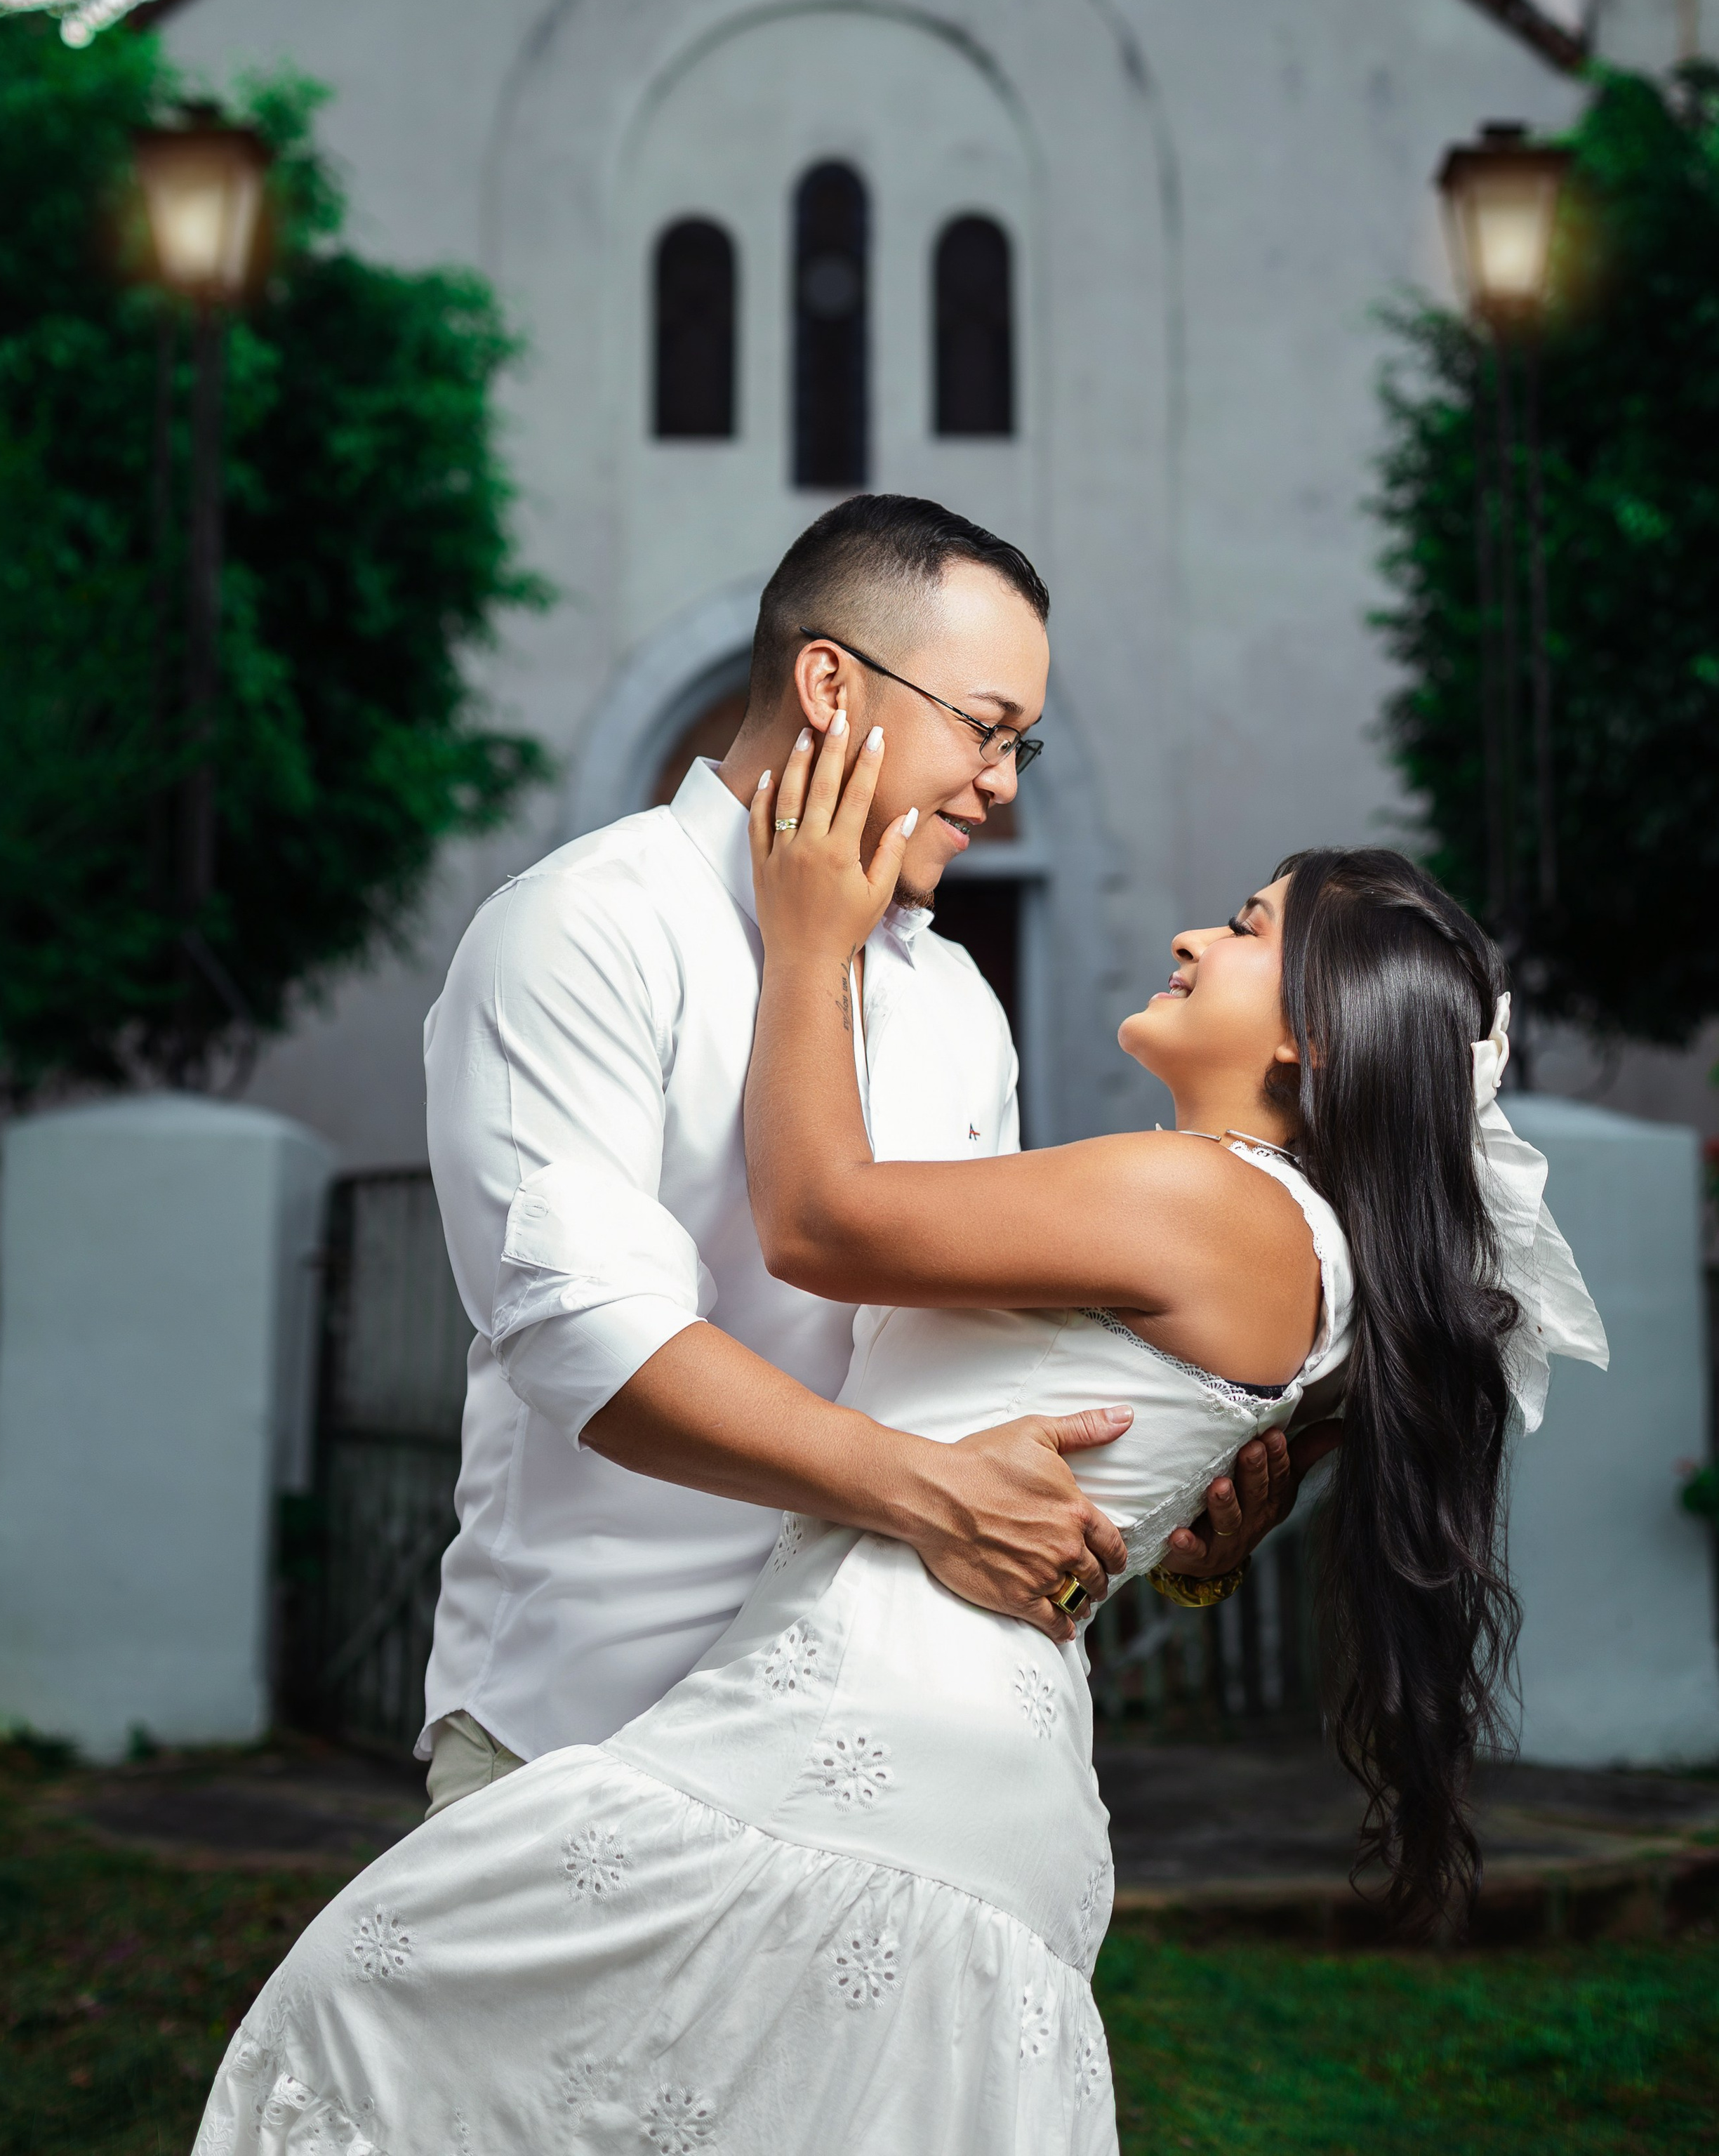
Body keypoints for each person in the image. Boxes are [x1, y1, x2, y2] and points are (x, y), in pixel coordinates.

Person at [191, 722, 1603, 2156]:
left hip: (869, 1748)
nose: (1192, 936)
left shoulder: (1199, 1198)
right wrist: (1192, 1559)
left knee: (374, 2024)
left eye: (1245, 928)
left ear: (1313, 1031)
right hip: (935, 1753)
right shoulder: (1298, 1245)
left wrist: (810, 943)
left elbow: (820, 1221)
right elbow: (1150, 1482)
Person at [417, 495, 1294, 1814]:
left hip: (879, 1757)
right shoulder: (581, 929)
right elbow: (580, 1335)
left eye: (1022, 745)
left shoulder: (958, 1002)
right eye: (984, 727)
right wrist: (929, 1493)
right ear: (830, 684)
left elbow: (980, 1375)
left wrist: (1171, 1527)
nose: (1003, 784)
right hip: (588, 1732)